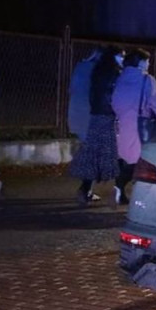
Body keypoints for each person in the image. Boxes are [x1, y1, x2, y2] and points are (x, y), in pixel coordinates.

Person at [69, 46, 125, 206]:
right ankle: (118, 190)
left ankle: (86, 189)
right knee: (113, 153)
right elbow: (115, 96)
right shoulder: (115, 73)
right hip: (108, 116)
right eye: (121, 56)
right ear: (114, 57)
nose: (123, 59)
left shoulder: (98, 71)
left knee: (94, 153)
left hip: (96, 115)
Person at [112, 48, 156, 206]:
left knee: (124, 158)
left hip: (122, 124)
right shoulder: (147, 80)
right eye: (147, 61)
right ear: (141, 62)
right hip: (140, 125)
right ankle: (124, 187)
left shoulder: (120, 78)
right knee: (140, 161)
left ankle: (119, 190)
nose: (149, 64)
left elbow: (114, 101)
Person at [66, 49, 102, 202]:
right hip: (90, 116)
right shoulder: (97, 70)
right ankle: (85, 189)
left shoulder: (80, 67)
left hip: (76, 115)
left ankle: (86, 188)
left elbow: (71, 89)